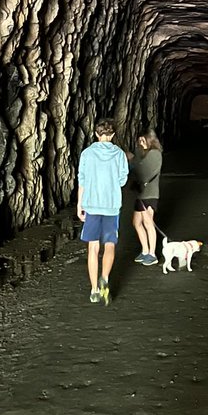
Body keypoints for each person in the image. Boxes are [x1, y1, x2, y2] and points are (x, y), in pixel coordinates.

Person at [77, 117, 129, 305]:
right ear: (113, 134)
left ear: (96, 133)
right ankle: (105, 278)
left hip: (91, 205)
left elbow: (81, 180)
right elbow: (123, 180)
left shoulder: (87, 154)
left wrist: (79, 205)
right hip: (111, 206)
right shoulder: (120, 154)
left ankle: (93, 290)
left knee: (93, 247)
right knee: (110, 245)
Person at [129, 130, 163, 266]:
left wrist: (132, 160)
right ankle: (144, 250)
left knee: (148, 222)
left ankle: (152, 254)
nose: (140, 143)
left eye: (143, 140)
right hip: (141, 194)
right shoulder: (144, 154)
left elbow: (143, 173)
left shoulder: (155, 154)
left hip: (150, 194)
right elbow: (138, 167)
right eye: (139, 140)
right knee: (137, 222)